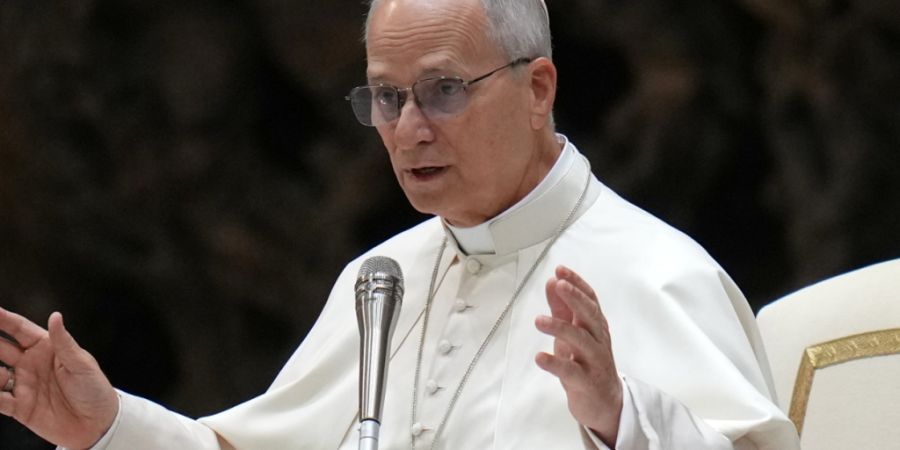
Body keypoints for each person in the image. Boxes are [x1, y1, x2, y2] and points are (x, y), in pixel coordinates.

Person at [0, 0, 800, 448]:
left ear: (538, 88)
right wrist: (105, 424)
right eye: (385, 97)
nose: (408, 127)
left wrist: (622, 420)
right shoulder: (379, 282)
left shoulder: (657, 272)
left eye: (443, 90)